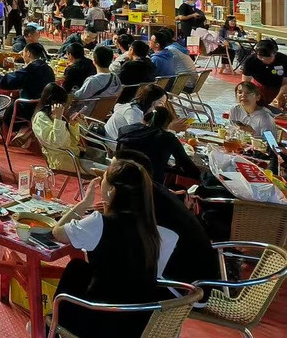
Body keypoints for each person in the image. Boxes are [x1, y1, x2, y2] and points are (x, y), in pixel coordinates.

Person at [51, 161, 178, 338]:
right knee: (79, 269)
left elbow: (57, 232)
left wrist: (85, 203)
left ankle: (49, 326)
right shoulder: (149, 228)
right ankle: (47, 326)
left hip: (102, 323)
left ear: (111, 190)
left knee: (76, 271)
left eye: (103, 179)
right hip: (135, 324)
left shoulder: (100, 222)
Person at [112, 149, 219, 287]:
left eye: (112, 172)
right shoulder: (154, 192)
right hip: (200, 276)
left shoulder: (144, 205)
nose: (106, 176)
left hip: (186, 289)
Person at [117, 107, 203, 186]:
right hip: (150, 183)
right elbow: (186, 165)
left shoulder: (125, 130)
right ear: (167, 124)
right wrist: (202, 177)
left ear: (145, 118)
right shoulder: (167, 138)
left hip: (120, 175)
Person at [32, 83, 104, 173]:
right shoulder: (41, 118)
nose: (66, 107)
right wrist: (58, 118)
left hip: (74, 155)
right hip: (62, 160)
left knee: (111, 164)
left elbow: (73, 142)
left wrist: (73, 125)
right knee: (109, 172)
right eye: (64, 104)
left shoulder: (58, 116)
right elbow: (59, 143)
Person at [0, 42, 54, 120]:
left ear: (28, 53)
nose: (22, 55)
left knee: (2, 103)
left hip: (28, 108)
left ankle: (0, 129)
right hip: (44, 107)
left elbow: (3, 82)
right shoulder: (48, 69)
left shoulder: (30, 70)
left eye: (23, 52)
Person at [241, 38, 287, 107]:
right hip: (259, 87)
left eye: (267, 58)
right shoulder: (251, 60)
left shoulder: (284, 60)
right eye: (261, 57)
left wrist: (279, 97)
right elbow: (246, 82)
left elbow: (285, 82)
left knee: (280, 105)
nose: (264, 60)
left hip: (280, 87)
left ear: (275, 54)